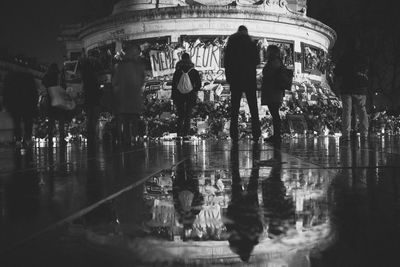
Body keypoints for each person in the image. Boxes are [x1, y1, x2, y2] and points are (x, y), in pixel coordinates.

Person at [224, 25, 261, 142]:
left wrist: (229, 77)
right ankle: (256, 133)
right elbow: (257, 61)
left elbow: (227, 62)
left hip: (235, 79)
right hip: (249, 78)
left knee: (234, 108)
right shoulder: (251, 43)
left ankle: (234, 134)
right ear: (246, 32)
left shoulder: (231, 43)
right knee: (253, 108)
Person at [334, 37, 369, 141]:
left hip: (347, 86)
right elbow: (366, 70)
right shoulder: (363, 57)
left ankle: (346, 134)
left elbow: (337, 71)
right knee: (362, 110)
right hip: (360, 87)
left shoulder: (345, 56)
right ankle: (364, 134)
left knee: (347, 111)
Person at [112, 45, 146, 146]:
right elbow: (141, 80)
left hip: (124, 97)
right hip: (133, 96)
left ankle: (127, 139)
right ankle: (133, 138)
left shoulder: (120, 66)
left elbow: (115, 82)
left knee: (126, 120)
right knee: (133, 119)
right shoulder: (138, 65)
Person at [261, 45, 292, 144]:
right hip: (276, 92)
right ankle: (276, 135)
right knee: (275, 114)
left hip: (273, 92)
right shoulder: (278, 62)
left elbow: (268, 73)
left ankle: (277, 135)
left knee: (275, 114)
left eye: (269, 51)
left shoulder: (274, 62)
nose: (267, 53)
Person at [3, 71, 38, 149]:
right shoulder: (29, 80)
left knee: (16, 122)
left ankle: (18, 140)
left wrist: (6, 105)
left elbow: (6, 93)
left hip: (15, 104)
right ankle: (27, 139)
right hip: (28, 104)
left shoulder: (11, 81)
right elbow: (34, 93)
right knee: (28, 121)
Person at [171, 52, 201, 139]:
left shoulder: (177, 71)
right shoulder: (194, 71)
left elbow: (174, 85)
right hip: (190, 96)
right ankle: (186, 133)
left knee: (180, 115)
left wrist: (174, 96)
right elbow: (199, 84)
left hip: (179, 96)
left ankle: (179, 133)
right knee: (188, 114)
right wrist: (193, 90)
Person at [42, 63, 68, 147]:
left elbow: (44, 84)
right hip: (59, 99)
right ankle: (61, 138)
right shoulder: (59, 77)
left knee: (51, 121)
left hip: (51, 100)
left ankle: (50, 139)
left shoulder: (47, 77)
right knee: (61, 120)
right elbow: (64, 87)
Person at [80, 56, 102, 147]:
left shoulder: (84, 77)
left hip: (88, 100)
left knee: (89, 118)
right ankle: (93, 135)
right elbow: (97, 89)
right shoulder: (94, 76)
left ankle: (90, 135)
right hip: (95, 100)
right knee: (94, 118)